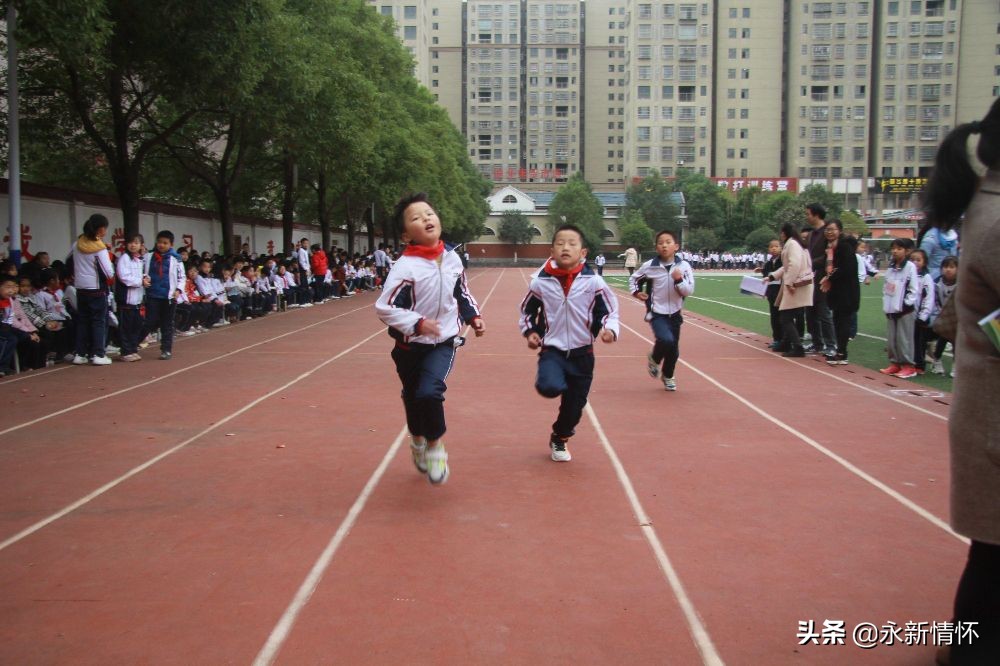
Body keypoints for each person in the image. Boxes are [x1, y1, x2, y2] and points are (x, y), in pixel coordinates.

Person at [922, 97, 1000, 666]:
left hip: (984, 409)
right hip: (993, 418)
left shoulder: (984, 210)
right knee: (993, 558)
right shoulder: (996, 222)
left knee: (992, 555)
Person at [374, 193, 485, 484]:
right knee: (413, 398)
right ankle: (418, 441)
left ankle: (435, 447)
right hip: (408, 347)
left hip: (444, 341)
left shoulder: (452, 258)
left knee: (429, 393)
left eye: (429, 213)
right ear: (405, 234)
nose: (425, 218)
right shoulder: (404, 268)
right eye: (415, 217)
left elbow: (461, 292)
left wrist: (473, 316)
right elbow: (385, 307)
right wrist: (417, 323)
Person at [520, 223, 619, 460]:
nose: (566, 247)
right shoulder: (540, 283)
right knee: (549, 386)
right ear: (552, 251)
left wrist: (609, 330)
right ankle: (559, 380)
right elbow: (526, 311)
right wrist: (530, 331)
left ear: (583, 252)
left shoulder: (593, 282)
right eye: (560, 243)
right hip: (552, 349)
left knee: (574, 407)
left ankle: (560, 437)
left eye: (572, 244)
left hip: (582, 353)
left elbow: (610, 311)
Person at [628, 229, 694, 391]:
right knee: (666, 340)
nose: (664, 246)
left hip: (675, 314)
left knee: (674, 351)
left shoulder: (684, 266)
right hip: (657, 312)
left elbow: (688, 290)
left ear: (676, 246)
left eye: (668, 242)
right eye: (660, 243)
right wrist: (637, 292)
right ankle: (655, 358)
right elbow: (634, 279)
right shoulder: (650, 266)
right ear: (656, 247)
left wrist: (679, 280)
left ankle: (668, 375)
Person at [70, 213, 115, 366]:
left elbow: (69, 261)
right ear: (101, 229)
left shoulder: (76, 244)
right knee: (98, 321)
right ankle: (98, 353)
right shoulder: (99, 249)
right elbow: (108, 272)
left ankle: (80, 353)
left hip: (80, 287)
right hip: (96, 288)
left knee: (83, 321)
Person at [763, 222, 814, 357]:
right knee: (788, 316)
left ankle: (797, 346)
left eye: (781, 233)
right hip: (796, 284)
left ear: (784, 233)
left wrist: (789, 283)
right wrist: (772, 276)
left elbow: (794, 265)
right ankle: (787, 343)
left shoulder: (792, 245)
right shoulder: (795, 244)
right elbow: (786, 267)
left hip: (796, 286)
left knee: (785, 317)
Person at [818, 220, 859, 366]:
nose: (829, 232)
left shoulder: (845, 247)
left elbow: (847, 269)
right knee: (837, 320)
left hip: (847, 292)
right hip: (835, 290)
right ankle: (838, 350)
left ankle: (842, 353)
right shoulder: (829, 248)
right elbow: (826, 266)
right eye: (827, 230)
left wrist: (829, 278)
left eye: (833, 229)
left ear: (840, 231)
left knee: (843, 322)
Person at [879, 238, 919, 379]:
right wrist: (887, 304)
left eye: (899, 248)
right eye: (893, 248)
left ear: (907, 251)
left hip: (904, 311)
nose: (895, 251)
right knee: (892, 339)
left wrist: (906, 304)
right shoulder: (891, 268)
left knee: (904, 339)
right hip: (891, 309)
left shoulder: (910, 267)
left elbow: (914, 288)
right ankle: (895, 363)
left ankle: (908, 366)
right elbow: (887, 287)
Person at [142, 230, 185, 360]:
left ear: (171, 244)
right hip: (152, 294)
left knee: (167, 323)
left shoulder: (176, 259)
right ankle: (134, 343)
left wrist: (178, 290)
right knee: (149, 321)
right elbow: (142, 271)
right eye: (159, 242)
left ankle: (166, 349)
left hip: (169, 296)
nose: (161, 245)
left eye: (165, 243)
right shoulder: (149, 257)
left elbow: (182, 277)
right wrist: (144, 279)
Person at [803, 203, 837, 357]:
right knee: (810, 312)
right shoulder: (811, 234)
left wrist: (811, 263)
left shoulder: (827, 232)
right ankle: (817, 343)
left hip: (823, 277)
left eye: (808, 214)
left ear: (816, 215)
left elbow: (828, 255)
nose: (806, 217)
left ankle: (831, 344)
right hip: (810, 278)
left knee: (823, 312)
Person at [115, 234, 148, 362]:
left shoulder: (139, 260)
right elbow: (124, 277)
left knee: (136, 325)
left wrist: (145, 278)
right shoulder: (124, 258)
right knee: (126, 327)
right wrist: (140, 281)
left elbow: (140, 275)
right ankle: (125, 350)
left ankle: (133, 348)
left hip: (137, 300)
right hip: (126, 300)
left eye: (136, 243)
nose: (133, 245)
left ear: (141, 245)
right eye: (131, 242)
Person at [928, 255, 958, 376]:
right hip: (943, 316)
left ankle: (956, 365)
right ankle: (937, 360)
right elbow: (935, 300)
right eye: (945, 267)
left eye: (952, 267)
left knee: (957, 342)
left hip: (958, 317)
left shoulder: (962, 283)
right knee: (943, 338)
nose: (948, 270)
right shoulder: (937, 283)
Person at [909, 248, 936, 374]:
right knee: (910, 340)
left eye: (918, 260)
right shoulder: (909, 275)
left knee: (920, 342)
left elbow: (929, 297)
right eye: (912, 260)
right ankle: (909, 362)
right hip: (909, 315)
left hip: (921, 317)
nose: (915, 262)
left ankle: (919, 365)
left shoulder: (926, 278)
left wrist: (924, 314)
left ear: (924, 262)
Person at [755, 239, 784, 349]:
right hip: (771, 293)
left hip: (781, 293)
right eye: (771, 247)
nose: (774, 248)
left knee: (783, 317)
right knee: (774, 317)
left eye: (776, 246)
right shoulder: (768, 263)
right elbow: (766, 277)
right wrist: (762, 271)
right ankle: (776, 339)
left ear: (781, 248)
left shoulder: (783, 262)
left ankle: (785, 339)